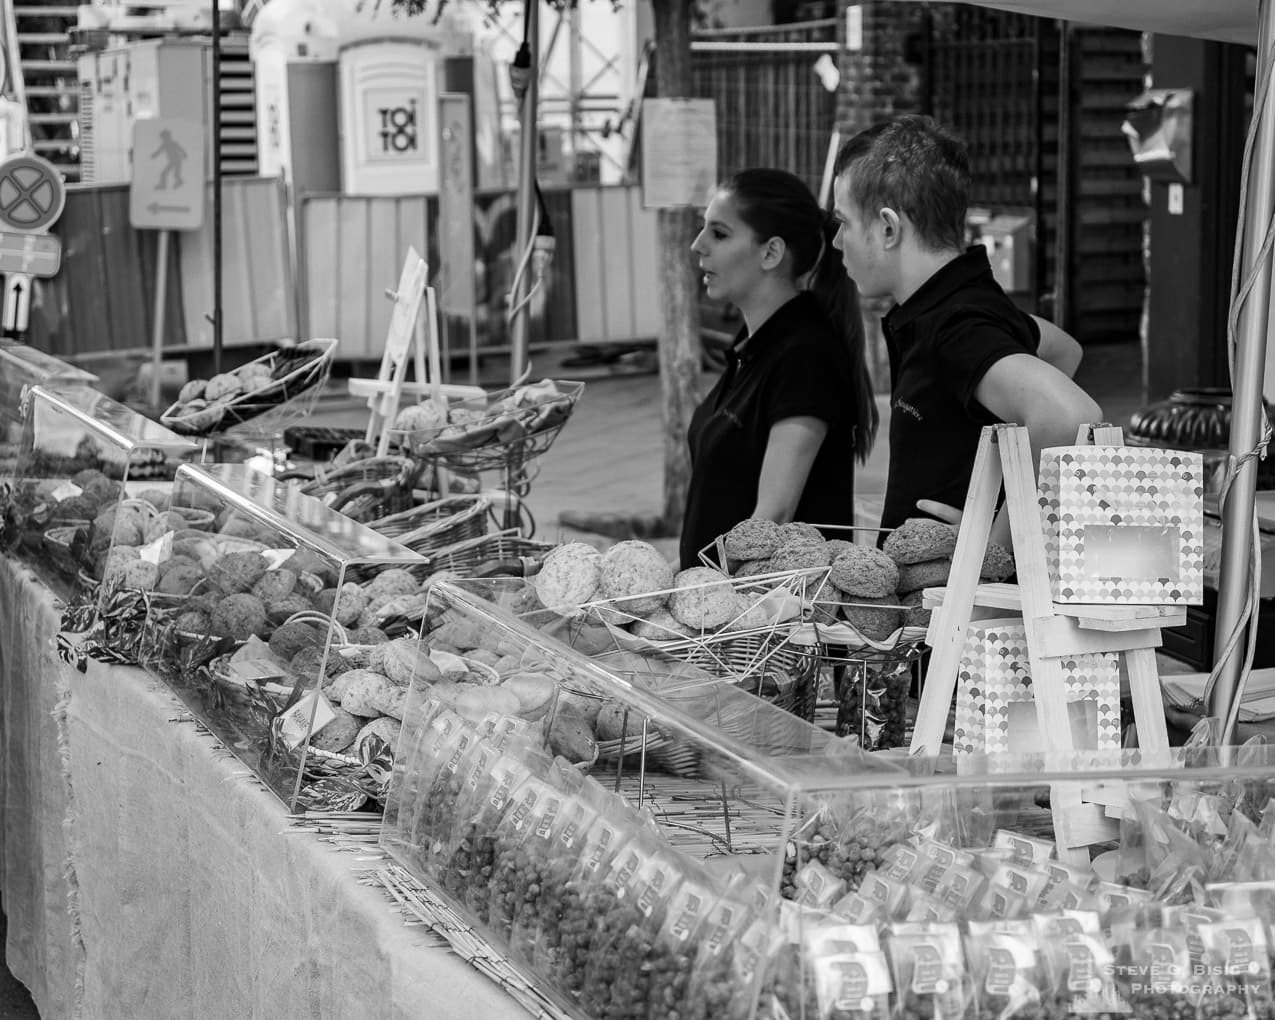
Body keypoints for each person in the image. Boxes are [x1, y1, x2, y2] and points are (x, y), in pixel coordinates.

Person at [829, 115, 1102, 540]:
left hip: (958, 600)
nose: (836, 241)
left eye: (843, 223)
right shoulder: (958, 310)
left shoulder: (955, 326)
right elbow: (1063, 350)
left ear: (887, 228)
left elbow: (1070, 415)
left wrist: (995, 544)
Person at [679, 168, 879, 568]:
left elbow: (773, 517)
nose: (697, 245)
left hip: (771, 617)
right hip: (722, 606)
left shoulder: (806, 356)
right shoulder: (752, 346)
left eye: (719, 234)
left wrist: (697, 596)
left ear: (770, 252)